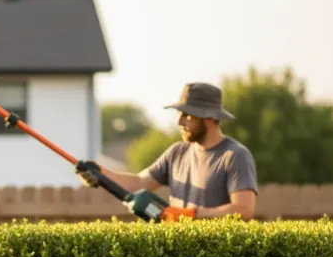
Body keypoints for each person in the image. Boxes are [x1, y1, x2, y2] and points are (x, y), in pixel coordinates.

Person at [76, 82, 258, 221]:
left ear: (209, 117)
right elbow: (140, 182)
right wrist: (102, 174)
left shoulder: (235, 156)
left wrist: (189, 215)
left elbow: (243, 210)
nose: (180, 122)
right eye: (179, 114)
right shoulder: (177, 153)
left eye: (187, 115)